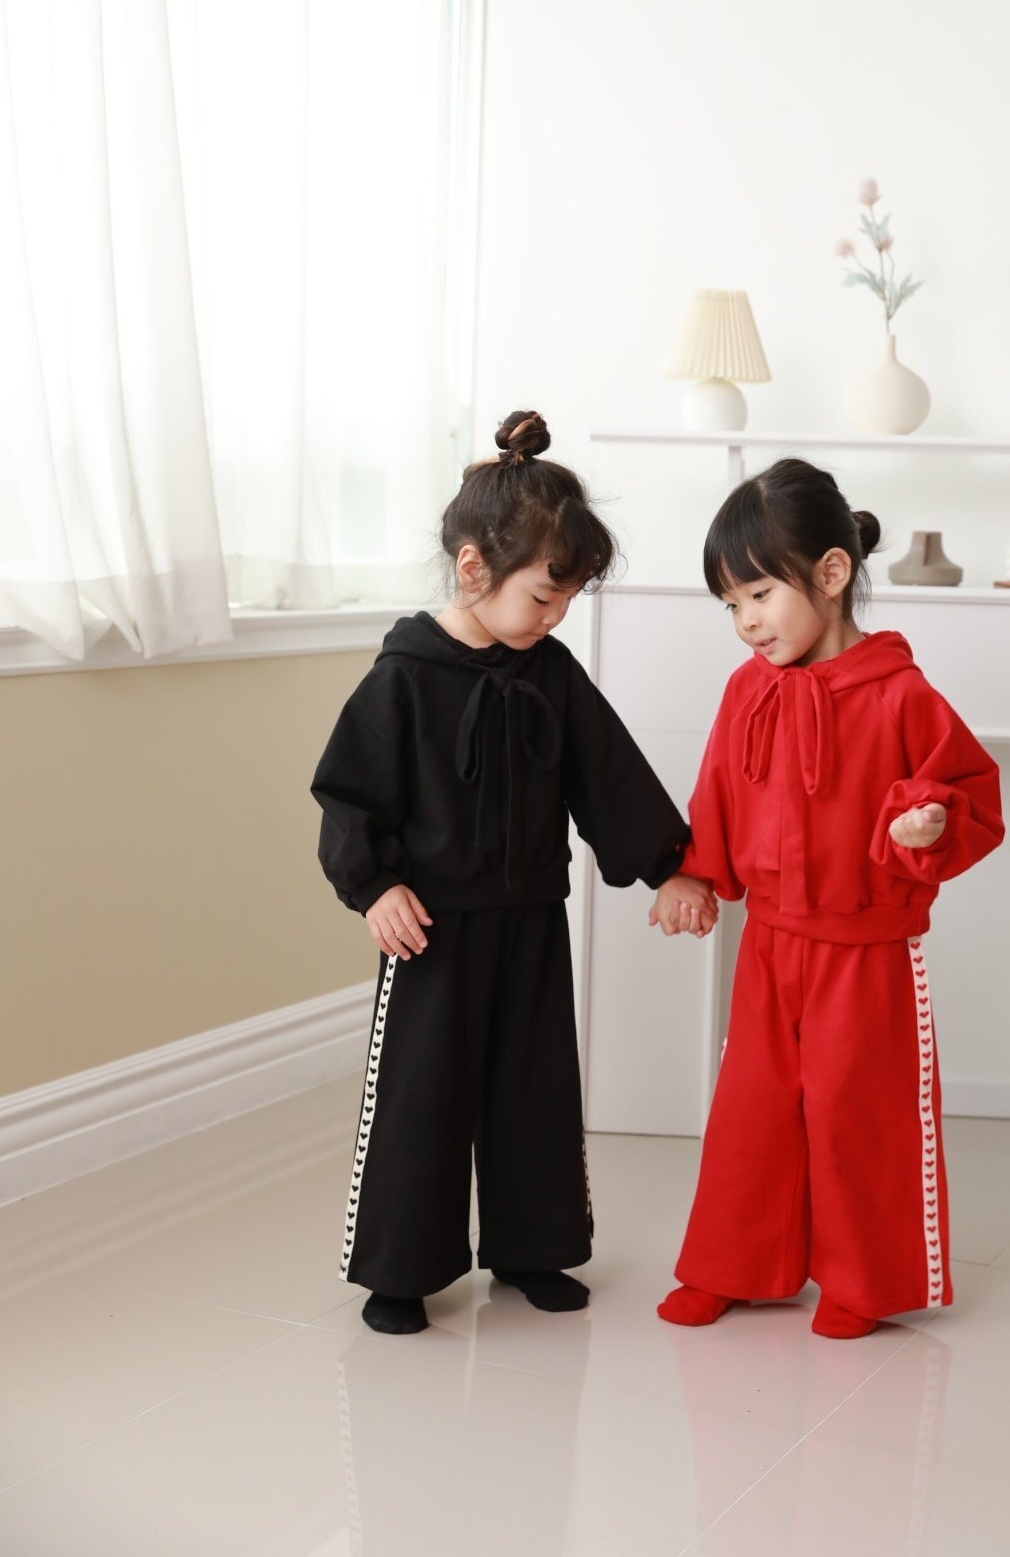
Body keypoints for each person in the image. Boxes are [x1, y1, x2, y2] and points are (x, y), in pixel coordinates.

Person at [312, 411, 716, 1335]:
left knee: (534, 1090)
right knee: (420, 1099)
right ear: (472, 568)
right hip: (430, 930)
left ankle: (533, 1249)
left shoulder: (551, 676)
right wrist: (375, 887)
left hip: (531, 915)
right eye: (543, 596)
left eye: (568, 599)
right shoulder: (403, 677)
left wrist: (668, 867)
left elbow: (609, 776)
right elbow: (347, 793)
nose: (555, 616)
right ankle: (401, 1268)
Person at [653, 457, 1003, 1338]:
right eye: (730, 604)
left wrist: (927, 823)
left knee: (861, 1116)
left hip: (868, 951)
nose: (745, 622)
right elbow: (717, 791)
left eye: (759, 594)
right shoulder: (747, 691)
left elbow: (967, 793)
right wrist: (694, 874)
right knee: (753, 1110)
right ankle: (733, 1265)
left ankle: (863, 1280)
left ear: (833, 573)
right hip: (770, 943)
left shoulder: (903, 696)